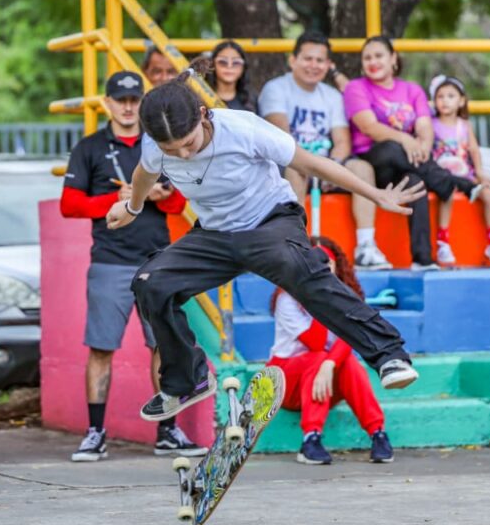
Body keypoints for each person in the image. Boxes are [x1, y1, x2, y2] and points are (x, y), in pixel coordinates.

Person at [105, 57, 423, 422]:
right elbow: (144, 173)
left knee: (299, 268)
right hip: (214, 235)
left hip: (270, 221)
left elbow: (310, 163)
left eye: (188, 143)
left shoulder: (243, 129)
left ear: (204, 115)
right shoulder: (156, 144)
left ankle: (388, 354)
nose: (183, 154)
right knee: (150, 283)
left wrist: (374, 194)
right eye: (172, 150)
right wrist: (132, 206)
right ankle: (186, 380)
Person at [60, 70, 204, 461]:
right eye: (119, 100)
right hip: (109, 261)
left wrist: (151, 195)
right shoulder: (89, 147)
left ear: (142, 102)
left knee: (162, 346)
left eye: (134, 100)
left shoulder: (160, 141)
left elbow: (177, 203)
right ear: (107, 102)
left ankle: (168, 431)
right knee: (101, 348)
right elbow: (69, 204)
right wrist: (115, 197)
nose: (127, 107)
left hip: (157, 260)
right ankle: (94, 432)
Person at [344, 36, 480, 270]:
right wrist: (407, 139)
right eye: (367, 57)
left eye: (378, 56)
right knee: (392, 147)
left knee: (416, 183)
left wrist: (423, 145)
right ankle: (449, 181)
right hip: (373, 160)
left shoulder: (411, 90)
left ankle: (422, 258)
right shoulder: (356, 88)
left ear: (393, 59)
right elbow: (369, 127)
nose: (372, 62)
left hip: (408, 163)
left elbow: (425, 127)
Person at [258, 31, 389, 270]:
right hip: (292, 163)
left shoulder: (331, 96)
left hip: (325, 166)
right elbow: (282, 138)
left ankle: (366, 247)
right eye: (308, 59)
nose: (314, 65)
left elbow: (342, 141)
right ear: (293, 60)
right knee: (297, 168)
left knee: (361, 167)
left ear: (329, 65)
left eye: (320, 60)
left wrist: (331, 168)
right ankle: (294, 245)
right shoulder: (275, 89)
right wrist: (315, 167)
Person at [267, 236, 394, 465]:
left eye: (326, 263)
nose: (320, 268)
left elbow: (349, 340)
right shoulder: (286, 298)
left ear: (335, 267)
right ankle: (310, 438)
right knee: (319, 356)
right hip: (284, 382)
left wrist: (329, 363)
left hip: (322, 381)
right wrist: (319, 299)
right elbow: (315, 343)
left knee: (349, 363)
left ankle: (378, 434)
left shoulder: (346, 298)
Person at [428, 75, 490, 267]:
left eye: (450, 96)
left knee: (487, 194)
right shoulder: (431, 124)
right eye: (440, 96)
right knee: (447, 194)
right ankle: (443, 242)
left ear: (461, 101)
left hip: (466, 174)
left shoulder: (464, 126)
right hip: (443, 175)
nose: (445, 100)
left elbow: (473, 149)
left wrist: (479, 172)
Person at [205, 40, 257, 113]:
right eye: (223, 62)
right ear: (212, 64)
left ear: (243, 67)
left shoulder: (253, 100)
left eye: (236, 62)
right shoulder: (200, 96)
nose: (229, 66)